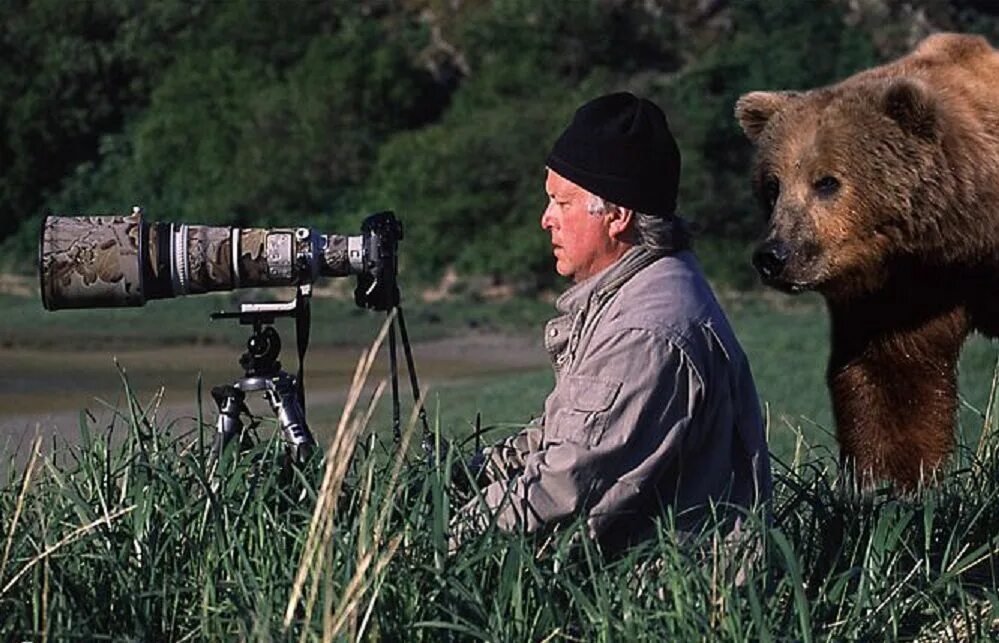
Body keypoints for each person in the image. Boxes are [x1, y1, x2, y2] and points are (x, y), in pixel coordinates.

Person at [452, 92, 772, 552]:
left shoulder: (645, 333)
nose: (546, 220)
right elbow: (563, 437)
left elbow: (563, 485)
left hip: (669, 604)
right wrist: (467, 473)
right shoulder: (639, 288)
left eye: (562, 203)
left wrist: (429, 541)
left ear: (617, 216)